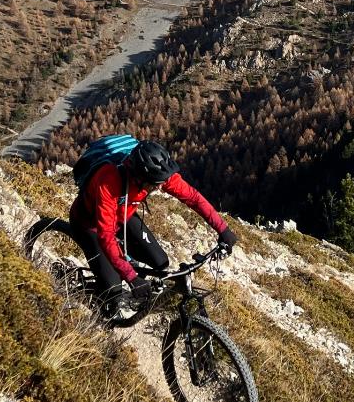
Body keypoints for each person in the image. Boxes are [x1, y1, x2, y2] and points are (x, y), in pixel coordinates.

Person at [69, 134, 238, 317]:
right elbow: (106, 235)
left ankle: (127, 273)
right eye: (156, 183)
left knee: (160, 263)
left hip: (124, 215)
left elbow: (193, 198)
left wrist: (223, 229)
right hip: (89, 224)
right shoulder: (109, 180)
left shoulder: (158, 175)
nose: (161, 187)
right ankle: (95, 305)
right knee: (113, 290)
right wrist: (131, 277)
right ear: (139, 176)